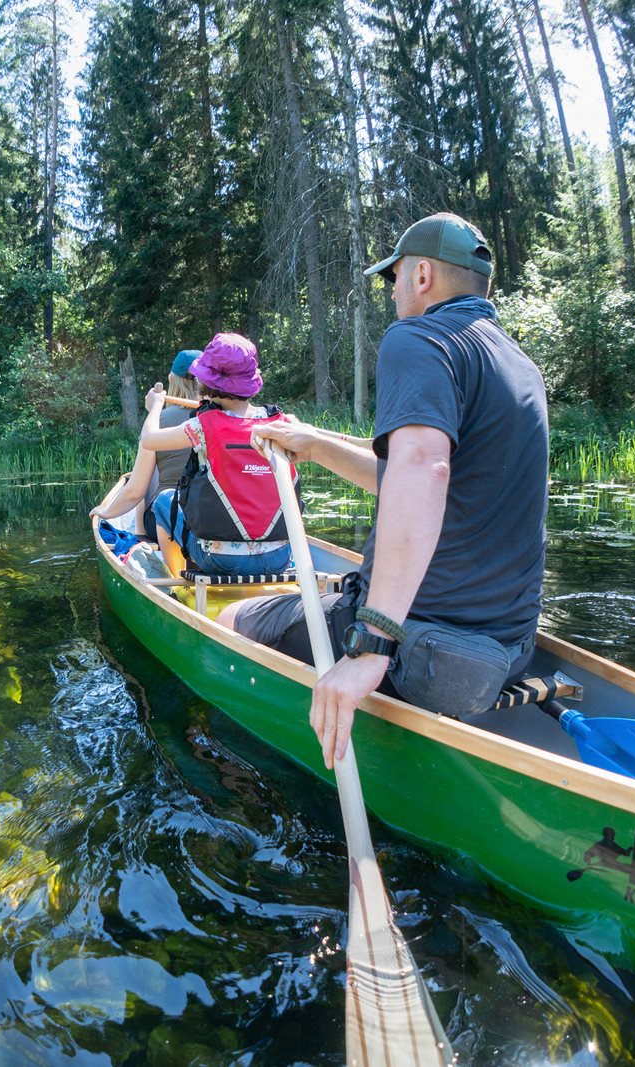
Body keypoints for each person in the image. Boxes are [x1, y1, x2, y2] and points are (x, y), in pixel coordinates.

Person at [217, 212, 549, 770]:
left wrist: (373, 643)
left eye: (392, 277)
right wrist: (315, 444)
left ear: (422, 276)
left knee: (230, 622)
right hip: (507, 651)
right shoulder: (520, 366)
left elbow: (423, 469)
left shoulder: (419, 338)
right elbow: (419, 478)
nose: (391, 292)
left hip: (418, 645)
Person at [140, 333, 296, 577]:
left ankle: (174, 585)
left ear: (208, 383)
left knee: (163, 501)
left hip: (220, 560)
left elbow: (149, 440)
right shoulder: (281, 423)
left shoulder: (203, 425)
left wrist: (156, 406)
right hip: (279, 559)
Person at [90, 349, 201, 538]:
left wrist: (106, 512)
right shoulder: (224, 418)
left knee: (145, 469)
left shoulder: (157, 420)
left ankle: (140, 532)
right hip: (211, 518)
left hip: (165, 524)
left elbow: (135, 492)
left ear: (173, 381)